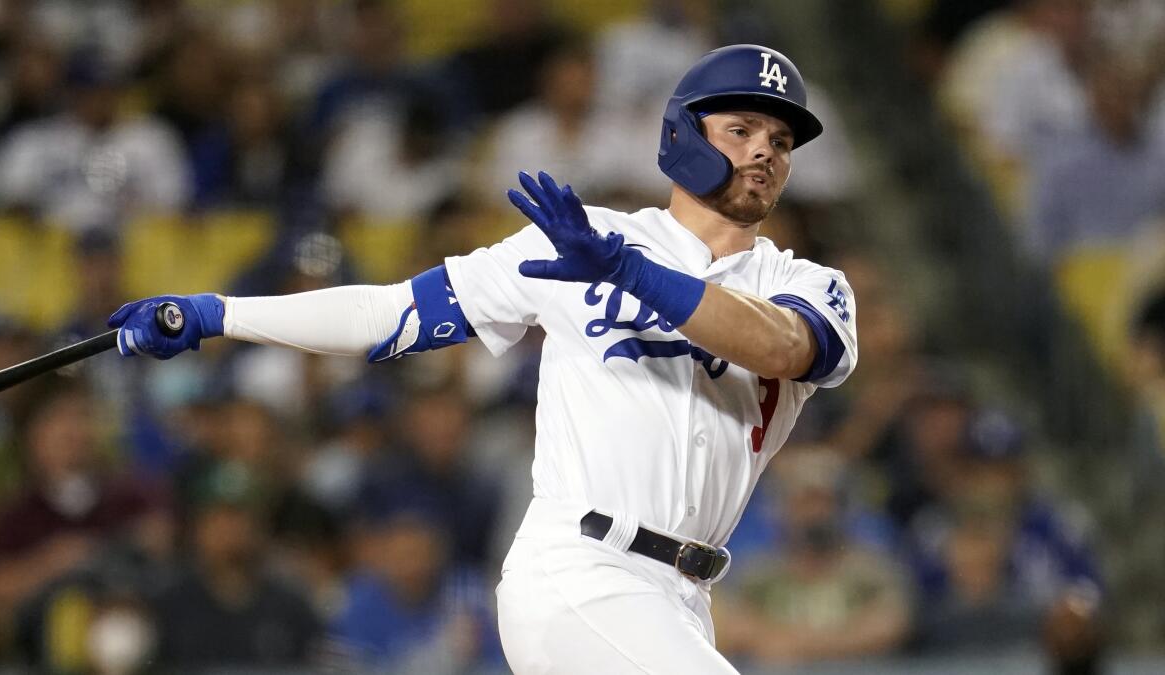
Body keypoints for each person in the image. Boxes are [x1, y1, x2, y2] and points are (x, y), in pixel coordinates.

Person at [107, 44, 858, 673]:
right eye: (742, 127)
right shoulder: (581, 236)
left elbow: (782, 347)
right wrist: (220, 313)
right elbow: (391, 314)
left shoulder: (806, 283)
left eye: (782, 140)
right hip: (580, 568)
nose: (765, 148)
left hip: (684, 596)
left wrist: (629, 274)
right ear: (685, 138)